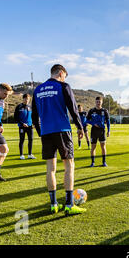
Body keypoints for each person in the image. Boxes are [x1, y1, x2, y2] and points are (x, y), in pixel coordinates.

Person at [32, 64, 86, 215]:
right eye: (64, 77)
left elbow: (34, 116)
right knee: (69, 166)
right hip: (62, 130)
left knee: (51, 169)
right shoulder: (64, 86)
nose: (64, 79)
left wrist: (40, 131)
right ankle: (69, 204)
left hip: (46, 132)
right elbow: (73, 109)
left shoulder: (37, 90)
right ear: (61, 73)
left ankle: (53, 204)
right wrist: (80, 127)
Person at [86, 96, 110, 167]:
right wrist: (94, 124)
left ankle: (104, 162)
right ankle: (92, 162)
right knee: (93, 147)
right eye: (97, 102)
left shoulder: (105, 111)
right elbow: (87, 120)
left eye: (99, 102)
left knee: (103, 146)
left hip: (102, 131)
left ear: (102, 102)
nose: (98, 103)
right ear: (95, 102)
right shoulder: (91, 111)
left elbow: (108, 121)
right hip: (94, 131)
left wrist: (109, 130)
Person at [14, 93, 36, 160]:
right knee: (22, 140)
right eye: (25, 99)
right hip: (22, 126)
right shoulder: (19, 106)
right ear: (23, 99)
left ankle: (30, 154)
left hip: (30, 126)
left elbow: (33, 116)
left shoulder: (30, 107)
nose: (27, 100)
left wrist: (34, 124)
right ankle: (21, 155)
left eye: (28, 99)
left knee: (31, 140)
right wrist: (22, 123)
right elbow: (16, 117)